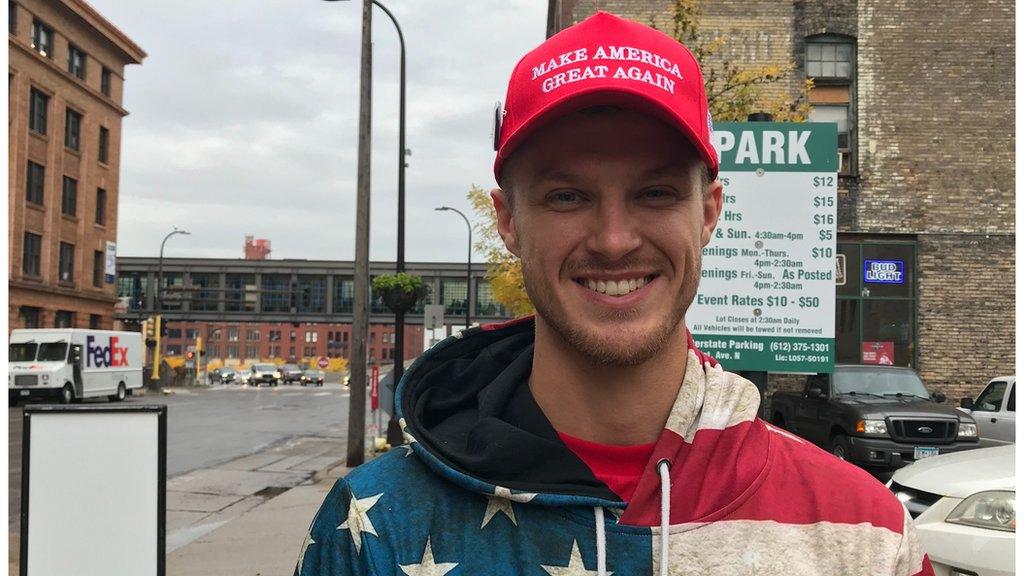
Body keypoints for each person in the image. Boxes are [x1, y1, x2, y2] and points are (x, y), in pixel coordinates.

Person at [296, 12, 933, 576]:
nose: (613, 240)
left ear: (709, 213)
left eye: (655, 193)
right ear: (510, 222)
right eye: (567, 196)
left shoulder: (865, 537)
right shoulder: (377, 531)